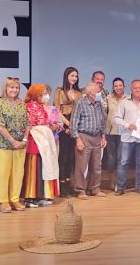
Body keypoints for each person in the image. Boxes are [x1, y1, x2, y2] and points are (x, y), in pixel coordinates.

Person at [0, 77, 29, 213]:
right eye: (11, 87)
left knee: (18, 173)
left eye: (16, 88)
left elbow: (27, 123)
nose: (14, 90)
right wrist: (13, 142)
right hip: (4, 143)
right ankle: (3, 201)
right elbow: (0, 126)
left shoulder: (22, 104)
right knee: (3, 173)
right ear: (6, 89)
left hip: (21, 144)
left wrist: (24, 140)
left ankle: (15, 199)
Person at [22, 84, 61, 207]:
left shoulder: (39, 106)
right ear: (35, 94)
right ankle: (30, 198)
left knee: (41, 168)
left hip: (43, 139)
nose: (45, 96)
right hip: (35, 139)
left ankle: (40, 196)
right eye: (42, 93)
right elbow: (30, 124)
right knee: (33, 168)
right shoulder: (30, 106)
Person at [71, 82, 107, 200]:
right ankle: (80, 190)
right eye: (97, 92)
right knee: (81, 166)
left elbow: (102, 121)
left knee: (97, 165)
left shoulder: (99, 104)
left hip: (97, 137)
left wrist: (103, 136)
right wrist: (77, 139)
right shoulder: (80, 103)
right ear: (90, 94)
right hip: (84, 136)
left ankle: (95, 188)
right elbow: (74, 122)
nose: (99, 94)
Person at [54, 66, 82, 197]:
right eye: (72, 76)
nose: (74, 78)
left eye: (76, 76)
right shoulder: (59, 91)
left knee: (72, 157)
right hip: (64, 123)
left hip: (76, 124)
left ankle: (70, 184)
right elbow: (57, 110)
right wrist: (68, 124)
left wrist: (74, 125)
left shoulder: (78, 93)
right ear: (66, 76)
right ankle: (61, 185)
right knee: (63, 156)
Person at [104, 77, 128, 191]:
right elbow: (104, 114)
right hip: (111, 132)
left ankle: (120, 181)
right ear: (113, 87)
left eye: (120, 85)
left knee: (121, 158)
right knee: (111, 158)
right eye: (116, 86)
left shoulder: (129, 98)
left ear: (124, 86)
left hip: (124, 133)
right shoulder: (108, 98)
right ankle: (111, 179)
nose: (118, 87)